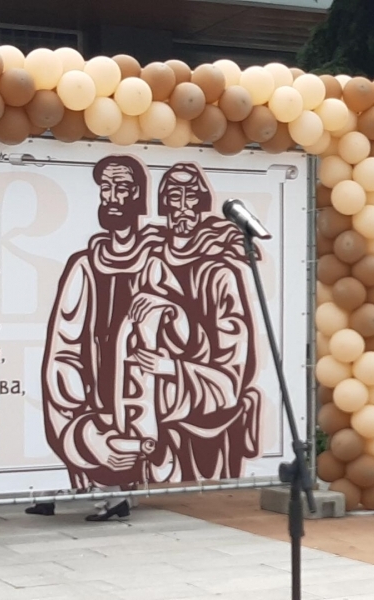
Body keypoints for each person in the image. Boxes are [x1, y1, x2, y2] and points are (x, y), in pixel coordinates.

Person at [36, 154, 163, 521]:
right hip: (94, 404)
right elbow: (62, 354)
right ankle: (74, 494)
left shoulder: (159, 262)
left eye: (122, 188)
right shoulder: (85, 266)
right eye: (106, 188)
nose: (113, 197)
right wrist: (85, 432)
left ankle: (117, 500)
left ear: (139, 197)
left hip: (142, 406)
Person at [128, 162, 262, 481]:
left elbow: (232, 375)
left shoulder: (219, 274)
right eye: (175, 196)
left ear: (203, 205)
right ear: (164, 204)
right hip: (156, 422)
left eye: (192, 196)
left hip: (208, 427)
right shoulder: (151, 265)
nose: (183, 206)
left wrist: (171, 367)